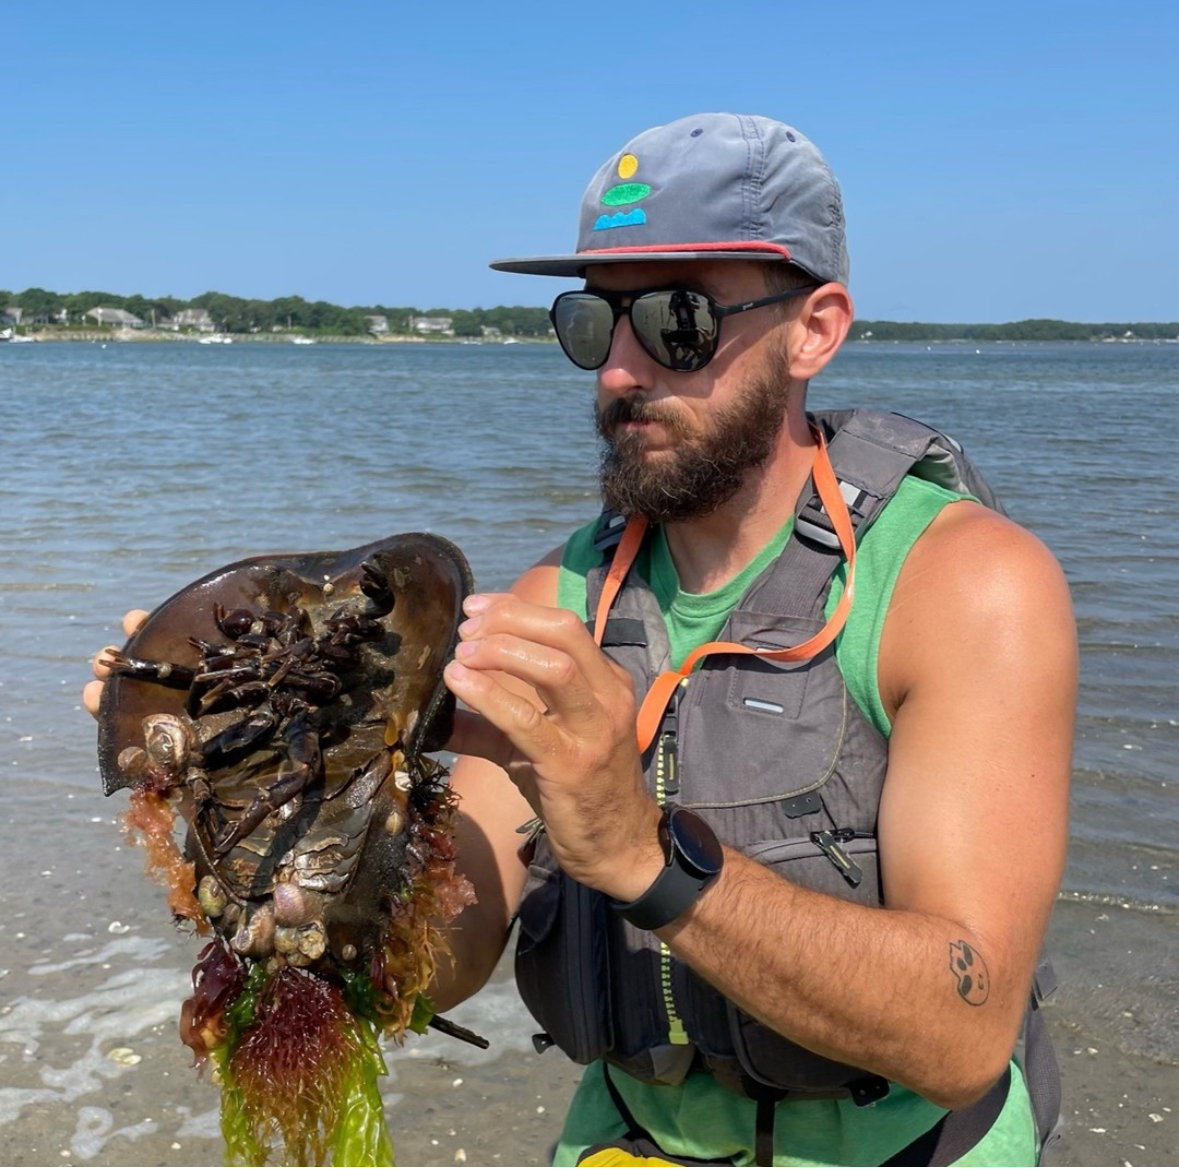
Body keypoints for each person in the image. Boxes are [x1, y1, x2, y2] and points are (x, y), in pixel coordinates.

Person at [88, 113, 1077, 1167]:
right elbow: (443, 964)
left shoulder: (967, 587)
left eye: (677, 321)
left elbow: (962, 1035)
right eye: (594, 322)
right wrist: (269, 820)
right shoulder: (563, 602)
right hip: (635, 1136)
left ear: (816, 329)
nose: (617, 371)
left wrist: (637, 851)